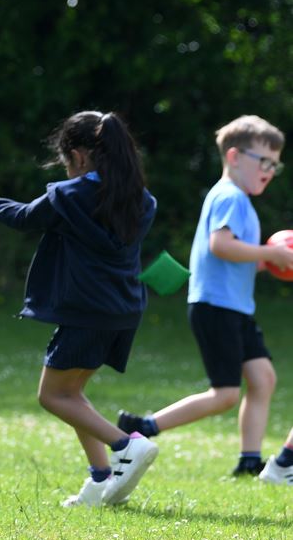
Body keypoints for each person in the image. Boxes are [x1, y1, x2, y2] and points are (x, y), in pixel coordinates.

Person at [0, 110, 161, 508]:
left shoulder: (68, 198)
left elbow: (21, 216)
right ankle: (99, 479)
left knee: (52, 396)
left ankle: (125, 445)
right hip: (123, 312)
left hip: (86, 313)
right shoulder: (141, 201)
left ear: (78, 156)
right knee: (73, 393)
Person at [116, 115, 293, 477]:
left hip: (235, 308)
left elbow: (232, 258)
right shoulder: (230, 196)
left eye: (275, 164)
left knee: (263, 379)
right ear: (233, 156)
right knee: (225, 394)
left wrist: (270, 264)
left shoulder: (237, 199)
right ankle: (143, 427)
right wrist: (270, 253)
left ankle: (249, 460)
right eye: (264, 161)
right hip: (216, 308)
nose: (270, 170)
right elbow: (221, 245)